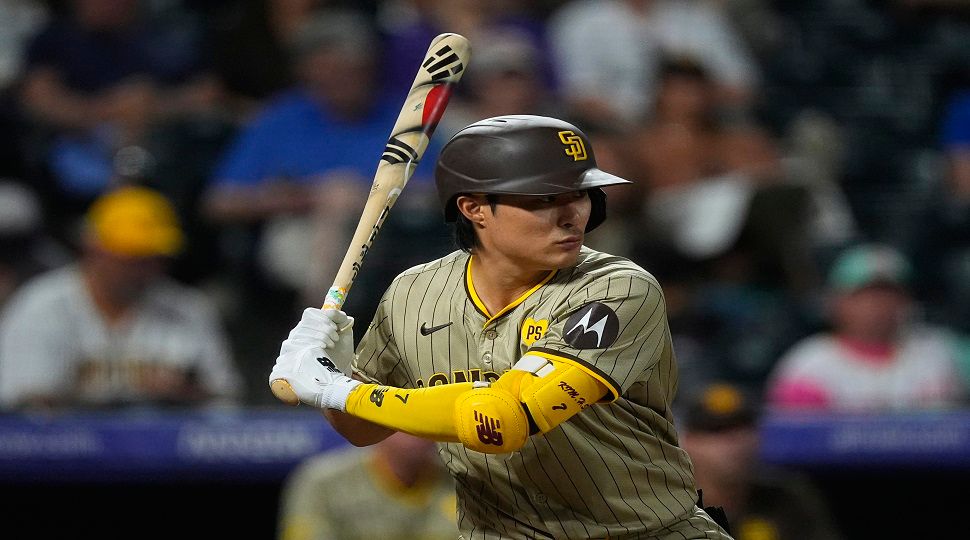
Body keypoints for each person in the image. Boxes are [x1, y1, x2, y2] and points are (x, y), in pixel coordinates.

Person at [269, 115, 733, 539]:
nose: (573, 214)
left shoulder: (620, 289)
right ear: (475, 208)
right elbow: (363, 431)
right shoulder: (413, 292)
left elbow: (503, 417)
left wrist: (338, 390)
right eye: (544, 198)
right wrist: (332, 370)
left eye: (581, 194)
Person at [0, 185, 242, 409]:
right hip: (63, 452)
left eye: (154, 257)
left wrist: (185, 395)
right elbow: (20, 409)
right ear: (94, 248)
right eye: (131, 257)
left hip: (164, 450)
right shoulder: (41, 306)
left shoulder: (189, 308)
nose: (144, 269)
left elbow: (227, 402)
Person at [766, 243, 968, 412]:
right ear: (836, 302)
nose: (878, 304)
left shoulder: (944, 352)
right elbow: (799, 444)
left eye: (889, 293)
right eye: (864, 294)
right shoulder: (808, 364)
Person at [679, 382, 843, 540]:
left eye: (741, 429)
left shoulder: (787, 500)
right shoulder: (668, 507)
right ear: (688, 441)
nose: (732, 443)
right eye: (716, 431)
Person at [277, 432, 456, 540]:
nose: (415, 431)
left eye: (425, 417)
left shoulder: (464, 480)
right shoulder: (322, 481)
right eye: (406, 417)